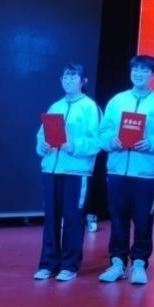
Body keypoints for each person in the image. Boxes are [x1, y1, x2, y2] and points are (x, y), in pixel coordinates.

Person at [98, 55, 154, 286]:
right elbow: (103, 132)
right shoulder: (117, 101)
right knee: (118, 218)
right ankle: (117, 263)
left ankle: (139, 263)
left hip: (146, 173)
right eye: (136, 70)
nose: (139, 74)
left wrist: (151, 143)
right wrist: (111, 141)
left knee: (143, 219)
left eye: (145, 71)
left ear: (153, 75)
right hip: (118, 170)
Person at [34, 64, 101, 282]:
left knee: (73, 219)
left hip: (76, 171)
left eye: (73, 77)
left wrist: (73, 146)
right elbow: (41, 134)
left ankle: (70, 265)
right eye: (65, 77)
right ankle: (48, 263)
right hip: (51, 169)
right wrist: (42, 146)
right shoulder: (56, 106)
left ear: (83, 81)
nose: (68, 80)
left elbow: (96, 141)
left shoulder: (90, 107)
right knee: (51, 219)